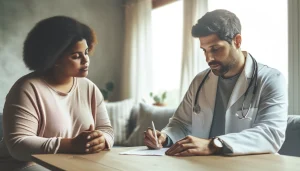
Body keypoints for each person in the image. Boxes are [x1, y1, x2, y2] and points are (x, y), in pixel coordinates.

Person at [144, 9, 287, 156]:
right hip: (203, 165)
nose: (208, 58)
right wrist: (165, 137)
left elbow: (271, 134)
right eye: (204, 50)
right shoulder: (200, 81)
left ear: (237, 41)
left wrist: (214, 144)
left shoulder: (271, 79)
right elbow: (181, 123)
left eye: (215, 49)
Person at [0, 16, 114, 170]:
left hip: (70, 163)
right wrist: (72, 144)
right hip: (25, 165)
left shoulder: (89, 88)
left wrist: (103, 139)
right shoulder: (26, 89)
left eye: (86, 52)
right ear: (54, 58)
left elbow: (106, 130)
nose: (85, 60)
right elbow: (18, 145)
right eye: (76, 56)